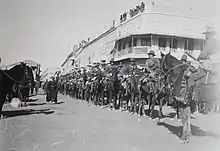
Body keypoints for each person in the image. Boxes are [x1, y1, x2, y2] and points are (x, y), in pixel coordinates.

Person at [174, 65, 197, 143]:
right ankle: (187, 136)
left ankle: (184, 137)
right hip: (187, 103)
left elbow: (183, 100)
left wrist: (177, 98)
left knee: (184, 120)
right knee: (186, 119)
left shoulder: (185, 88)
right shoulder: (191, 86)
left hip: (184, 104)